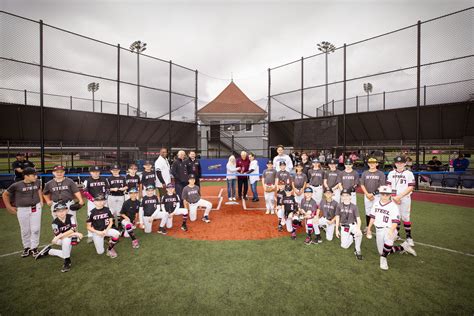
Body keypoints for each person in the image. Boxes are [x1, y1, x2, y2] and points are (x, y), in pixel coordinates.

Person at [366, 185, 417, 270]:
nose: (385, 196)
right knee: (383, 251)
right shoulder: (376, 204)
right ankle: (403, 247)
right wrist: (369, 228)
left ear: (390, 195)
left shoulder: (393, 206)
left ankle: (383, 259)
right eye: (383, 194)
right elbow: (372, 217)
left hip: (389, 228)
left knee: (387, 245)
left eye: (387, 194)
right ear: (380, 194)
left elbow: (395, 221)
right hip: (378, 230)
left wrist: (391, 230)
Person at [2, 167, 43, 257]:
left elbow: (39, 189)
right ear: (26, 176)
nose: (36, 177)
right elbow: (5, 194)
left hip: (36, 207)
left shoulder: (37, 182)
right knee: (25, 230)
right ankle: (27, 247)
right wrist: (8, 206)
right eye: (33, 175)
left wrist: (41, 200)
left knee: (35, 229)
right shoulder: (17, 185)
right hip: (22, 209)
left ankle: (34, 248)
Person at [34, 202, 83, 273]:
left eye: (63, 210)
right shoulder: (54, 223)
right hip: (60, 240)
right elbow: (61, 236)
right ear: (55, 213)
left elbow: (73, 229)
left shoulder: (71, 217)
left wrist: (73, 232)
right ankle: (67, 261)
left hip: (62, 237)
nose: (61, 212)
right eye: (58, 211)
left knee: (66, 252)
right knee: (66, 240)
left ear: (67, 210)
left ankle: (50, 251)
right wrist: (74, 233)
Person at [386, 156, 416, 247]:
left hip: (405, 198)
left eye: (401, 162)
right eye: (398, 163)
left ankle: (409, 237)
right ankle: (397, 235)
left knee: (405, 217)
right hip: (393, 198)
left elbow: (411, 187)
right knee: (395, 217)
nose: (399, 164)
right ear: (395, 163)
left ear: (405, 163)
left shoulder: (409, 173)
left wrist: (399, 197)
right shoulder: (391, 173)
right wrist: (394, 198)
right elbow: (389, 186)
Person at [86, 194, 120, 258]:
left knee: (117, 234)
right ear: (94, 202)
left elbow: (111, 222)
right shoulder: (91, 212)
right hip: (97, 232)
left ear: (104, 201)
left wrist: (105, 231)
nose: (100, 202)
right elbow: (88, 227)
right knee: (100, 252)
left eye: (102, 200)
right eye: (98, 201)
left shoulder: (107, 210)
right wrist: (98, 232)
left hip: (106, 230)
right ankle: (99, 239)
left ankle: (109, 248)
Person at [83, 166, 109, 243]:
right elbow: (85, 192)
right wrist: (93, 200)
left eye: (97, 172)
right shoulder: (87, 181)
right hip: (92, 202)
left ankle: (105, 232)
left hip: (103, 201)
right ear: (90, 172)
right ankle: (90, 235)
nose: (96, 173)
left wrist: (105, 199)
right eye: (94, 172)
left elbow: (107, 190)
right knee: (91, 217)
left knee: (105, 216)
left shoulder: (104, 179)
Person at [335, 189, 363, 260]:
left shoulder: (354, 206)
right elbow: (337, 217)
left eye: (347, 195)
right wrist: (336, 230)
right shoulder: (339, 205)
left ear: (350, 196)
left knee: (359, 234)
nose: (345, 197)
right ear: (341, 197)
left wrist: (358, 228)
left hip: (353, 225)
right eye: (343, 195)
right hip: (344, 226)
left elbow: (358, 219)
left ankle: (357, 250)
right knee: (344, 246)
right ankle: (352, 236)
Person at [360, 157, 386, 234]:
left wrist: (372, 194)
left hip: (377, 196)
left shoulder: (380, 173)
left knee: (377, 211)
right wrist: (367, 194)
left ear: (377, 164)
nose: (372, 164)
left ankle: (378, 226)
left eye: (373, 163)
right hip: (367, 195)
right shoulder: (365, 173)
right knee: (368, 211)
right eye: (370, 163)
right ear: (368, 164)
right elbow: (362, 185)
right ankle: (368, 226)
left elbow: (382, 186)